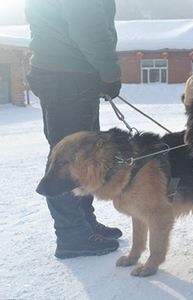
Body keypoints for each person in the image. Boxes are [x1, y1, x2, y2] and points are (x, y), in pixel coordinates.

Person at [26, 0, 123, 258]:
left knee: (84, 157)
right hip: (68, 78)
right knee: (68, 160)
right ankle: (72, 234)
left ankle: (83, 222)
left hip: (65, 74)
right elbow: (86, 23)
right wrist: (110, 72)